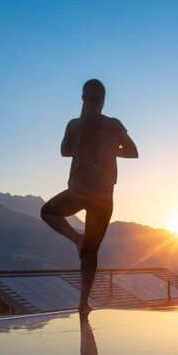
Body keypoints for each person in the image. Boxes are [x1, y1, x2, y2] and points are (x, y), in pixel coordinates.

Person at [41, 78, 139, 313]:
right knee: (91, 251)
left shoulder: (74, 125)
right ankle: (83, 303)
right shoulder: (113, 125)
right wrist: (108, 149)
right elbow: (133, 151)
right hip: (103, 198)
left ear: (83, 98)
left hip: (79, 191)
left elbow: (65, 150)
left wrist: (89, 146)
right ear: (103, 100)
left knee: (48, 212)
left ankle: (76, 239)